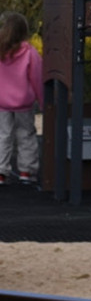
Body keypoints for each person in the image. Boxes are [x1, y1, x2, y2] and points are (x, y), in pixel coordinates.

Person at [0, 12, 42, 186]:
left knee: (3, 135)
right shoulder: (30, 53)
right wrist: (43, 101)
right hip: (24, 102)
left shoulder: (1, 51)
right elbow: (37, 78)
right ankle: (26, 171)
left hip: (2, 102)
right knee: (26, 135)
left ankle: (1, 171)